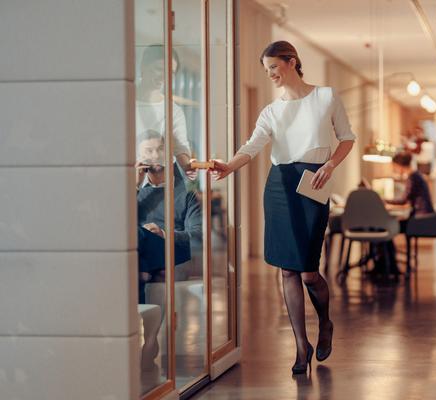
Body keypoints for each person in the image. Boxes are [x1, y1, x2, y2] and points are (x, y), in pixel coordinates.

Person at [209, 41, 356, 374]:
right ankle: (301, 346)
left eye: (274, 67)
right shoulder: (271, 111)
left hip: (313, 184)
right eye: (266, 70)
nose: (270, 74)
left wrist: (331, 165)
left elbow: (347, 138)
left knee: (307, 270)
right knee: (286, 270)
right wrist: (229, 166)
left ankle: (325, 323)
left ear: (292, 62)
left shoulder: (326, 97)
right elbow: (253, 144)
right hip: (279, 186)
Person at [136, 130, 202, 303]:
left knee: (137, 235)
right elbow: (115, 224)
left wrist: (163, 234)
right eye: (148, 151)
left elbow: (197, 235)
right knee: (137, 237)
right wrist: (134, 187)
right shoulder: (133, 191)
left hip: (173, 249)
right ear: (139, 157)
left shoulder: (187, 192)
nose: (156, 155)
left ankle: (141, 268)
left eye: (160, 149)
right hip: (143, 253)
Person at [136, 45, 197, 179]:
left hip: (161, 187)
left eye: (171, 73)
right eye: (159, 69)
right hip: (127, 183)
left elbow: (180, 148)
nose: (164, 77)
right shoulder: (124, 104)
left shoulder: (174, 111)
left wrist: (189, 166)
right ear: (143, 67)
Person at [387, 152, 434, 220]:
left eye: (394, 167)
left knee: (396, 224)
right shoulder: (416, 175)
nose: (394, 170)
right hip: (425, 216)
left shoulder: (412, 178)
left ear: (399, 166)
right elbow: (408, 202)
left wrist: (384, 201)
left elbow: (403, 200)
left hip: (422, 218)